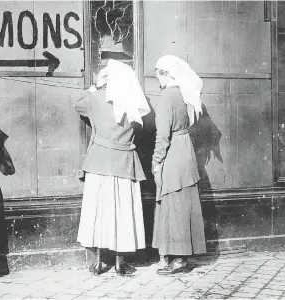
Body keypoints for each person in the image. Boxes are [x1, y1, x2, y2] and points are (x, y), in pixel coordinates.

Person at [74, 59, 150, 276]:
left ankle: (99, 263)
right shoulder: (134, 103)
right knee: (123, 213)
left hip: (99, 162)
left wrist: (96, 85)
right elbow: (140, 131)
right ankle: (119, 263)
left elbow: (78, 104)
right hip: (125, 163)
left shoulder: (96, 99)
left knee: (100, 211)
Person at [152, 55, 207, 275]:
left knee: (174, 205)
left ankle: (179, 259)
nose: (157, 78)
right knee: (184, 205)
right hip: (186, 150)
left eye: (158, 73)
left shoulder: (166, 96)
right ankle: (180, 256)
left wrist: (156, 161)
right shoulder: (184, 93)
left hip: (173, 153)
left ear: (165, 73)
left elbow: (162, 135)